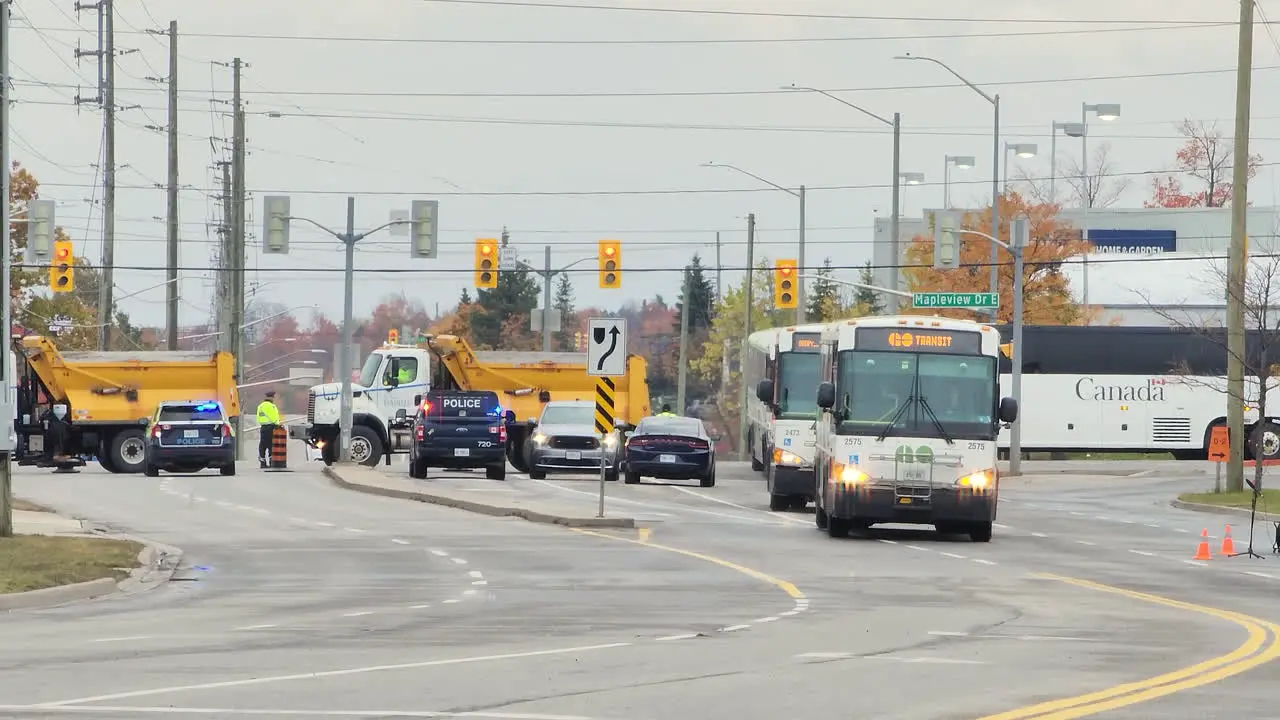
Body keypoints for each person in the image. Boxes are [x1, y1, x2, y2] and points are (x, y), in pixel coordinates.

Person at [256, 391, 282, 469]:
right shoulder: (271, 406)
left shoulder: (260, 406)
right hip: (271, 427)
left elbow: (258, 417)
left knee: (262, 445)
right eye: (273, 397)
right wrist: (277, 424)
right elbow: (273, 417)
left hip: (263, 427)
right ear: (271, 397)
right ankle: (272, 462)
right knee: (271, 444)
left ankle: (262, 462)